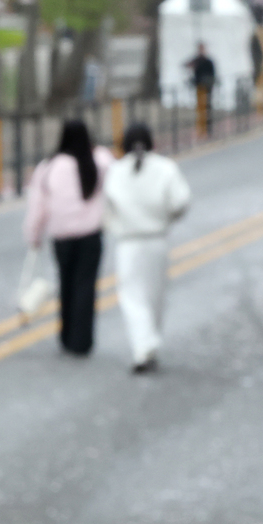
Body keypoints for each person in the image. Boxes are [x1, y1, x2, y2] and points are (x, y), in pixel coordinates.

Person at [104, 123, 191, 373]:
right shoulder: (165, 168)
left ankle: (143, 346)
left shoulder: (117, 171)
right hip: (156, 240)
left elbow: (107, 208)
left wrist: (116, 225)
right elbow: (181, 201)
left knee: (132, 297)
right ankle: (150, 341)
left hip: (128, 243)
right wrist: (168, 218)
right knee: (155, 296)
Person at [24, 119, 115, 355]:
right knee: (85, 286)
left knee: (66, 284)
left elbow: (37, 207)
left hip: (61, 237)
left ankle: (65, 336)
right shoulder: (97, 161)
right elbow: (111, 163)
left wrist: (34, 235)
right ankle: (81, 341)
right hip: (90, 236)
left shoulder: (49, 167)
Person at [185, 42, 217, 136]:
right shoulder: (197, 60)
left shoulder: (207, 61)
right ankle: (201, 130)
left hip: (207, 88)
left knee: (207, 109)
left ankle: (207, 130)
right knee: (200, 109)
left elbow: (212, 74)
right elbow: (186, 65)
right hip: (199, 87)